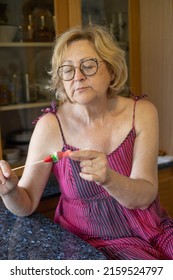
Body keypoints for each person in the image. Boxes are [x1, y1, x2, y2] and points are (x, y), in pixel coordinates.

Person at [0, 25, 173, 260]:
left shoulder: (141, 112)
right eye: (68, 70)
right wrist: (10, 191)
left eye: (88, 66)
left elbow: (144, 198)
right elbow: (27, 203)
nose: (78, 76)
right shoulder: (50, 126)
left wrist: (109, 179)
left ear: (111, 70)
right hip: (91, 244)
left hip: (153, 230)